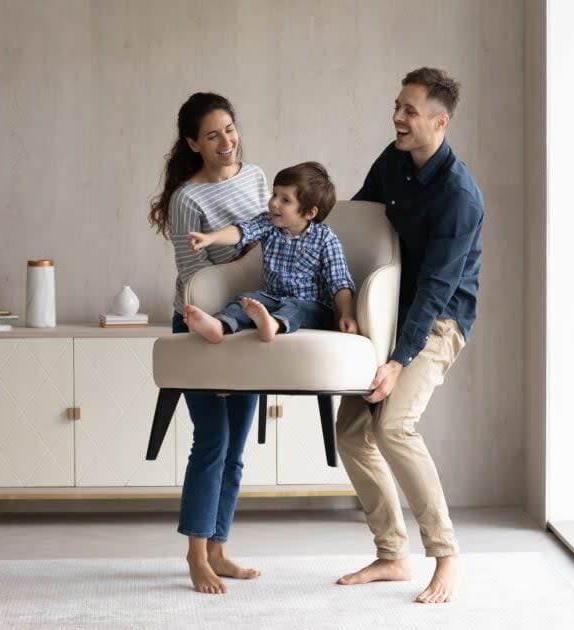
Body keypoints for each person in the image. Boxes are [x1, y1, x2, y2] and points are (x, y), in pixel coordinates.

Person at [334, 67, 484, 604]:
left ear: (440, 121)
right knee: (351, 430)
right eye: (397, 106)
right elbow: (354, 223)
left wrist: (397, 361)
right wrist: (342, 302)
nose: (398, 117)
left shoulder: (460, 196)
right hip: (386, 313)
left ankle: (446, 555)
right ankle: (392, 554)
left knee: (394, 424)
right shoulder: (393, 160)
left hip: (438, 321)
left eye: (411, 111)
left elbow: (436, 292)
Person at [149, 92, 268, 595]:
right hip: (202, 326)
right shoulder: (187, 200)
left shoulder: (258, 178)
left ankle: (219, 550)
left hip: (246, 323)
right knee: (212, 442)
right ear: (194, 143)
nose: (226, 141)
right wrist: (216, 344)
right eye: (213, 134)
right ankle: (196, 555)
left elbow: (271, 241)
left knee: (236, 448)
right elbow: (195, 277)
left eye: (230, 128)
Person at [183, 162, 358, 343]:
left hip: (313, 308)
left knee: (294, 307)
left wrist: (347, 314)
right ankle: (220, 326)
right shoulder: (269, 224)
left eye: (285, 200)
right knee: (246, 299)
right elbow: (242, 231)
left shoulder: (325, 238)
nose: (273, 203)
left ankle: (273, 325)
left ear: (309, 212)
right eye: (274, 194)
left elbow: (340, 281)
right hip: (272, 299)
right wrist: (211, 238)